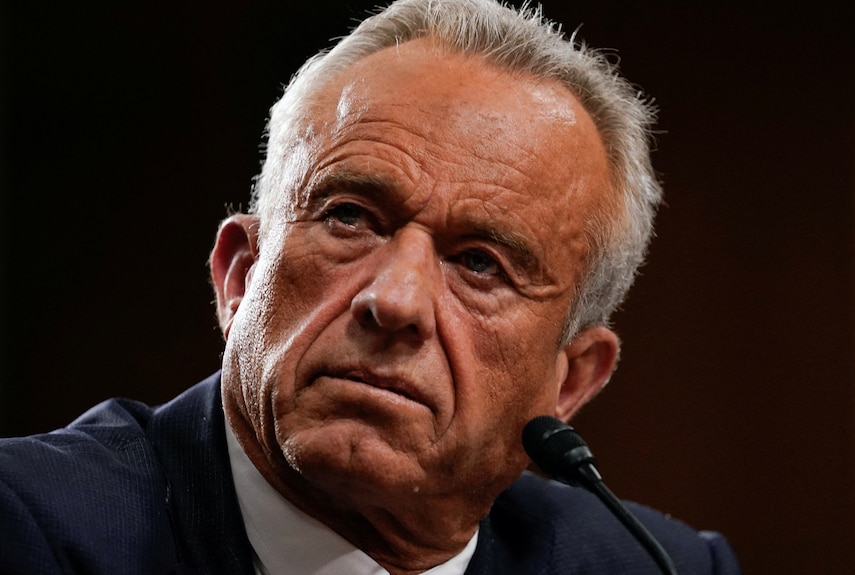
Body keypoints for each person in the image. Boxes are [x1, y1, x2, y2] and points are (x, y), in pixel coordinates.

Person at [0, 0, 742, 573]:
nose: (395, 300)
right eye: (351, 217)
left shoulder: (654, 565)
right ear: (237, 275)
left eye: (480, 263)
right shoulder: (33, 527)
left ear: (569, 379)